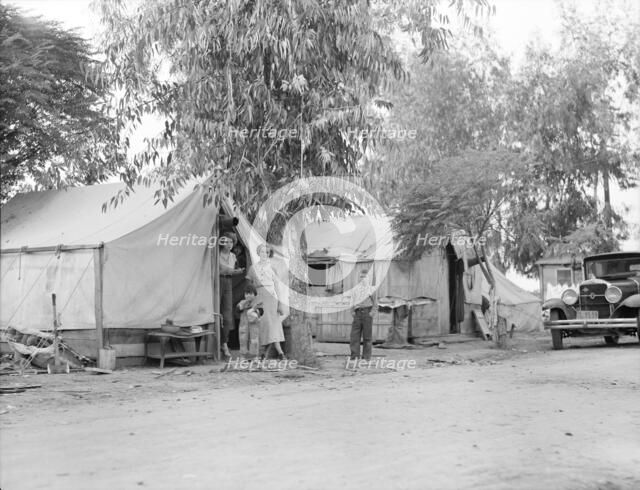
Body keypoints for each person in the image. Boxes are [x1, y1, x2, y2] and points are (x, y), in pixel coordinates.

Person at [246, 243, 286, 360]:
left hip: (272, 297)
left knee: (273, 325)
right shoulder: (253, 268)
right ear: (258, 253)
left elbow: (278, 286)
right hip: (258, 297)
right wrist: (249, 299)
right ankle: (263, 353)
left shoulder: (273, 267)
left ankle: (279, 353)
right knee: (262, 325)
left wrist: (280, 303)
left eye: (267, 252)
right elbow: (248, 285)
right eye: (262, 252)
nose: (265, 254)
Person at [219, 231, 244, 358]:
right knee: (215, 313)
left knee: (228, 316)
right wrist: (233, 271)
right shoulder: (216, 254)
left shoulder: (233, 256)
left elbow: (229, 271)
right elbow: (220, 269)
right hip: (217, 282)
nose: (229, 244)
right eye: (227, 241)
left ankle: (224, 343)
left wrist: (234, 271)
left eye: (231, 242)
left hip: (228, 282)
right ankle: (217, 343)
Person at [350, 269, 377, 360]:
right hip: (357, 313)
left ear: (368, 278)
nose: (363, 279)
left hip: (367, 313)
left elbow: (375, 303)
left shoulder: (371, 289)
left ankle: (366, 357)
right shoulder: (355, 289)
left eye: (365, 277)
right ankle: (354, 356)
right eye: (361, 277)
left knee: (367, 337)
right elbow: (352, 301)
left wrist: (371, 313)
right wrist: (352, 311)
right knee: (354, 336)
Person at [236, 284, 262, 358]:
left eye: (250, 294)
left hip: (254, 326)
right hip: (244, 326)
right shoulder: (242, 302)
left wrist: (254, 309)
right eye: (246, 294)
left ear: (255, 294)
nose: (248, 295)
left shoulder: (258, 303)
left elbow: (261, 312)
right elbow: (237, 310)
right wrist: (244, 304)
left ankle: (254, 357)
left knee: (254, 341)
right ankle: (243, 356)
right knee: (243, 340)